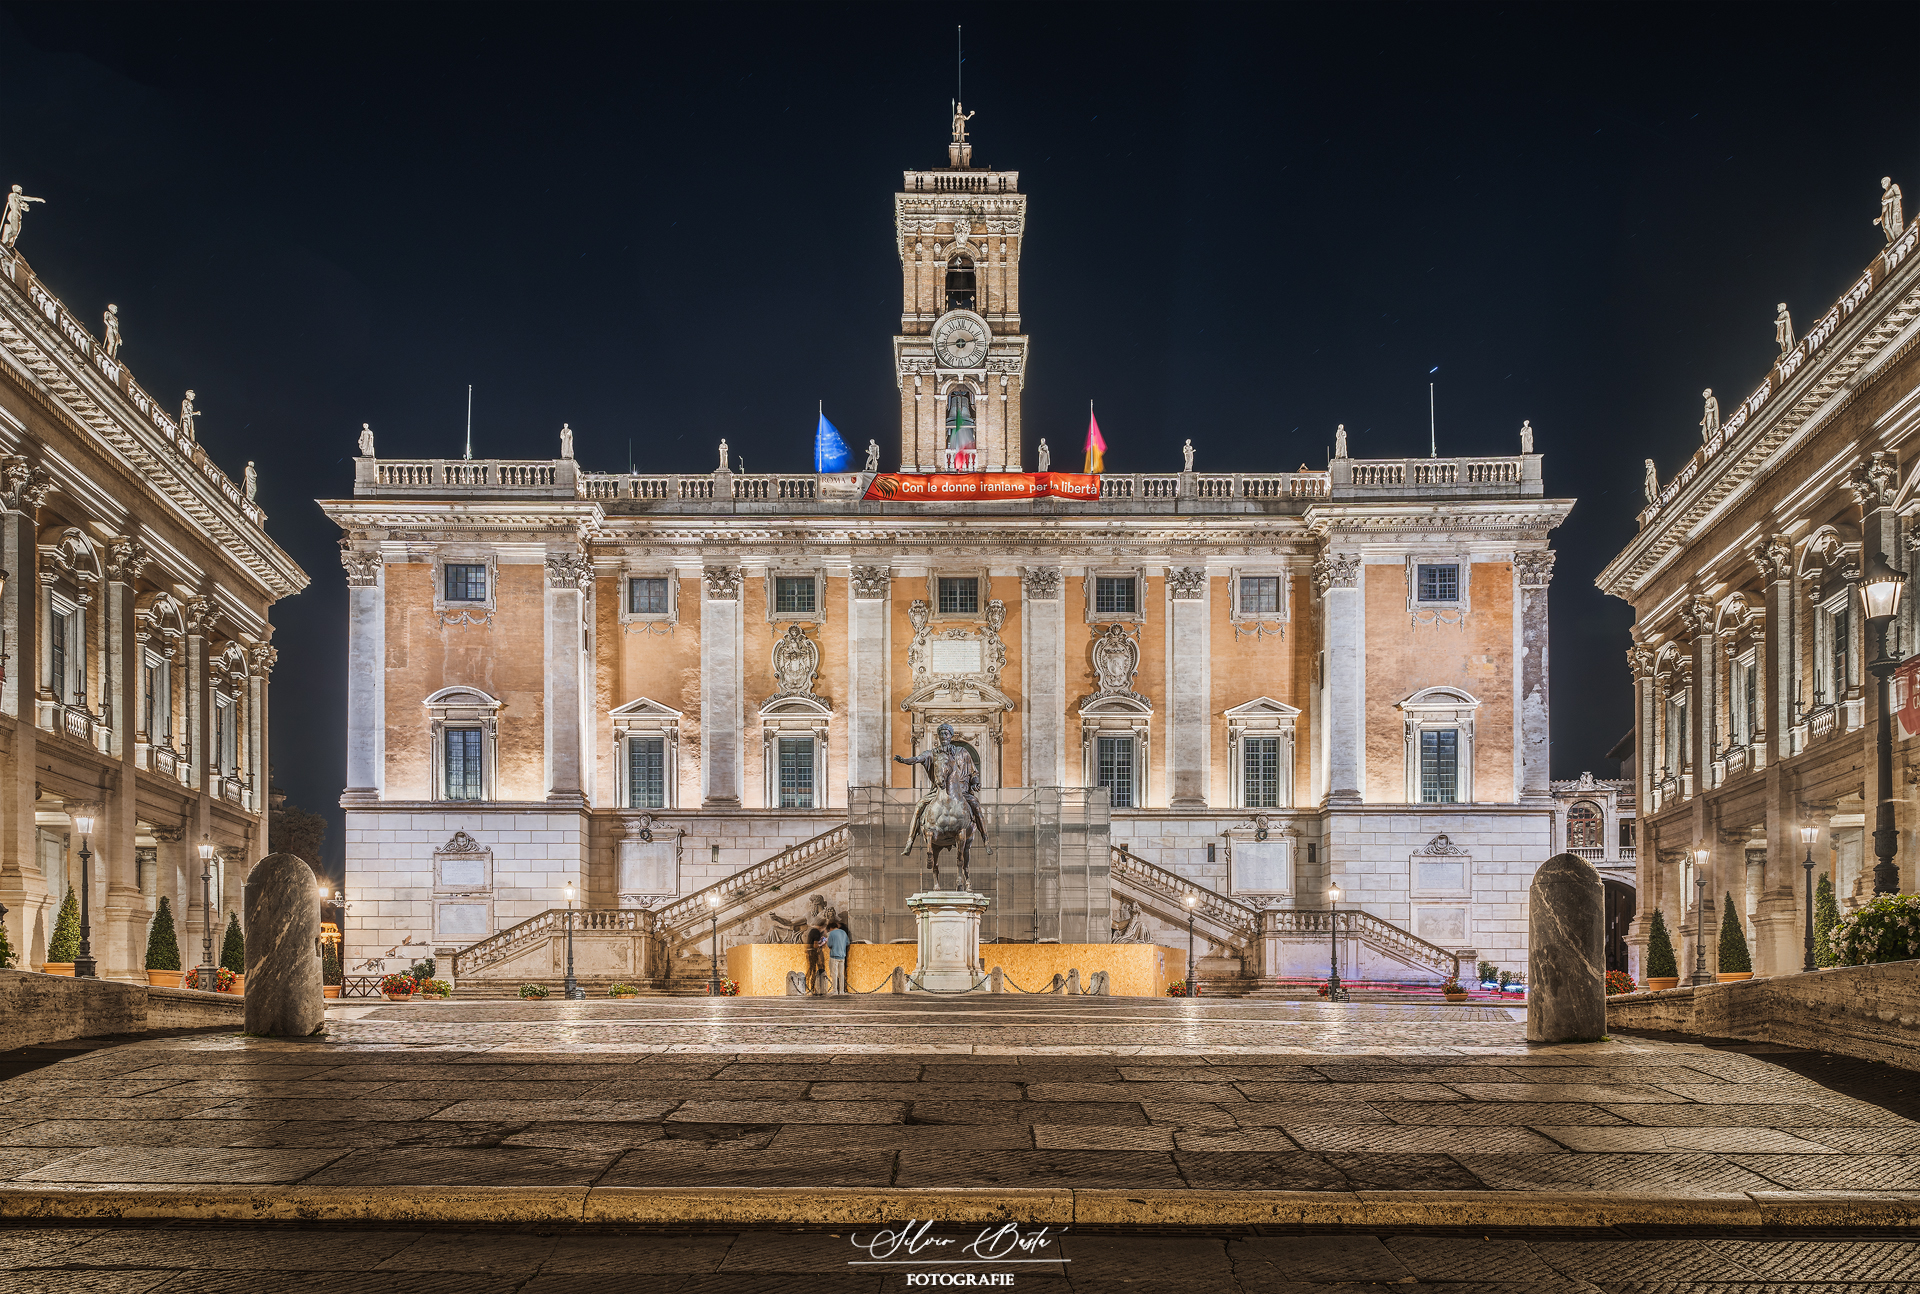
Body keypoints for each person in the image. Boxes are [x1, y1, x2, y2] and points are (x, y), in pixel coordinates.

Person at [825, 918, 850, 995]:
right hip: (842, 956)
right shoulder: (843, 932)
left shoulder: (831, 933)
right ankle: (842, 991)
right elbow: (847, 943)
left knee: (834, 974)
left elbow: (829, 945)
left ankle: (835, 990)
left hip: (834, 956)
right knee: (841, 974)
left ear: (830, 928)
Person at [804, 923, 828, 996]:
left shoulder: (812, 931)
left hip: (809, 952)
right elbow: (815, 945)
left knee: (810, 970)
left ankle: (807, 987)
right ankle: (811, 988)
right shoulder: (817, 932)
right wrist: (822, 944)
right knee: (813, 970)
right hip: (813, 953)